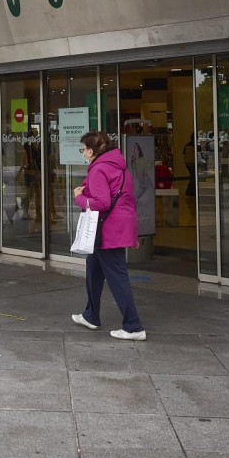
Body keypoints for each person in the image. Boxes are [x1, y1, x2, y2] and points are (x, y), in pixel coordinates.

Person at [71, 130, 146, 340]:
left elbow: (102, 203)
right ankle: (91, 315)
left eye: (84, 149)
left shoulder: (99, 170)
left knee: (117, 277)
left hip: (106, 232)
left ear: (93, 150)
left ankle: (133, 326)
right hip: (115, 229)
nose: (83, 153)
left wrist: (79, 197)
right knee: (93, 270)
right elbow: (127, 202)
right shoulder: (119, 168)